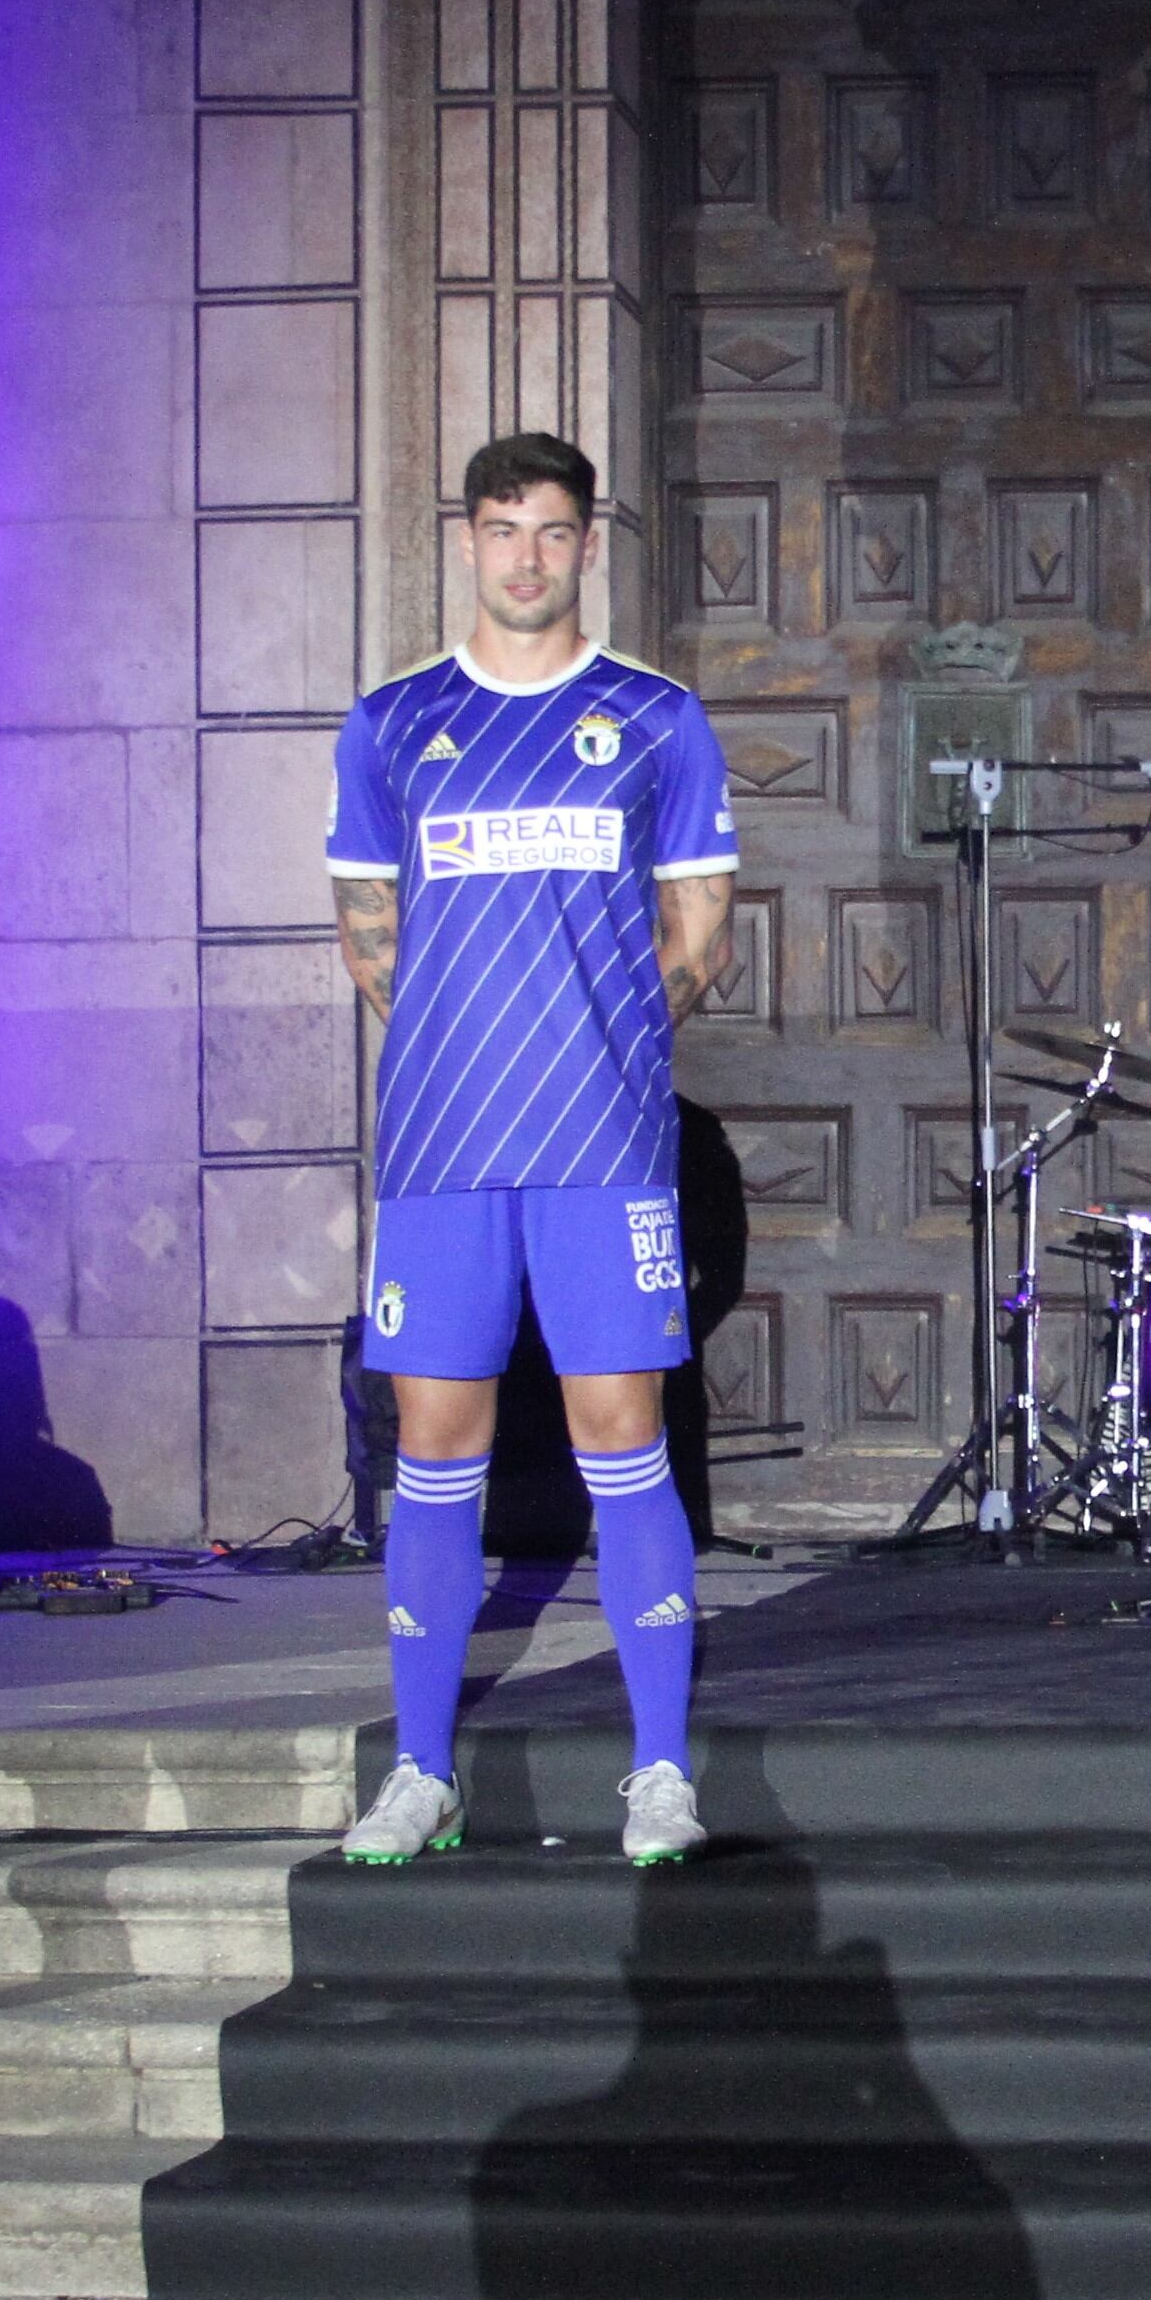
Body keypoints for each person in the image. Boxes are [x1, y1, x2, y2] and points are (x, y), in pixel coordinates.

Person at [329, 431, 739, 1870]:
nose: (524, 557)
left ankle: (664, 1770)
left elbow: (698, 927)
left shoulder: (655, 719)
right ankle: (422, 1772)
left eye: (551, 532)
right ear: (467, 540)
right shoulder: (390, 725)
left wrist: (604, 1038)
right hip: (443, 1148)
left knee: (621, 1438)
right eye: (501, 529)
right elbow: (371, 937)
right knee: (435, 1450)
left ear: (586, 546)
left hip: (603, 1148)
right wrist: (472, 1035)